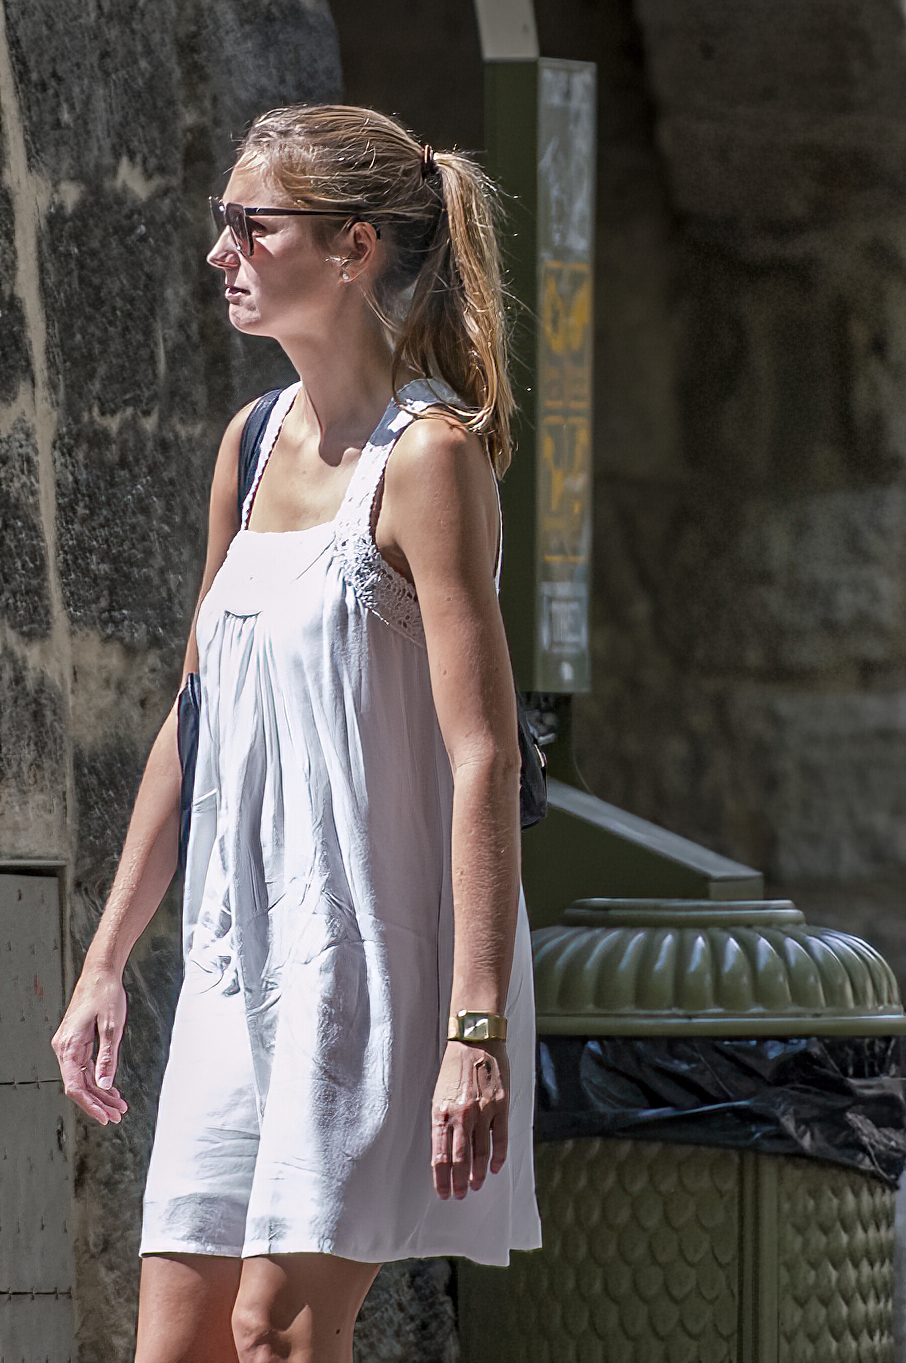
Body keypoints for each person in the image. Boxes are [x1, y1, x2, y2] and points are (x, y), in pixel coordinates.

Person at [52, 103, 542, 1362]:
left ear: (353, 247)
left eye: (252, 225)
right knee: (177, 1343)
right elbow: (196, 714)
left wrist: (476, 1027)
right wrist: (107, 960)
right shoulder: (251, 441)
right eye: (224, 222)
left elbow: (482, 755)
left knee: (274, 1332)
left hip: (374, 961)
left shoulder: (429, 458)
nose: (220, 250)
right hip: (238, 958)